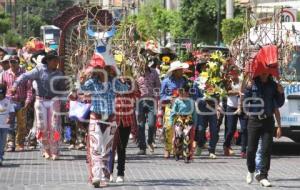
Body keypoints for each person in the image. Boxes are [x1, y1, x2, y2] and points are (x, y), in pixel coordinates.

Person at [81, 53, 128, 188]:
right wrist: (82, 79)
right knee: (96, 147)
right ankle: (96, 176)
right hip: (96, 117)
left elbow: (125, 89)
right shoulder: (92, 82)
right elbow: (82, 88)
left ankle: (104, 176)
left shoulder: (114, 82)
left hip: (110, 119)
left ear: (108, 69)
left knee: (107, 149)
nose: (99, 71)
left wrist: (125, 81)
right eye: (97, 69)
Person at [11, 50, 65, 160]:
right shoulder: (39, 70)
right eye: (54, 60)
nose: (56, 62)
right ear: (48, 60)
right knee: (42, 126)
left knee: (55, 126)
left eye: (57, 60)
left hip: (54, 101)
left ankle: (55, 150)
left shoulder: (59, 73)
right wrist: (15, 85)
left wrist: (64, 100)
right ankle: (46, 149)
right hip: (41, 100)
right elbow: (24, 76)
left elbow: (63, 90)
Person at [244, 73, 285, 187]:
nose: (264, 73)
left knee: (266, 149)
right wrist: (248, 88)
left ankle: (263, 175)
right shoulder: (252, 83)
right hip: (254, 120)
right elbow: (246, 101)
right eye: (262, 70)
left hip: (268, 120)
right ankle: (251, 169)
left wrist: (281, 93)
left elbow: (279, 104)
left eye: (266, 70)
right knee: (251, 149)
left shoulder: (273, 85)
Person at [109, 77, 140, 183]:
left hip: (125, 123)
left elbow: (137, 93)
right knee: (111, 148)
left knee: (121, 148)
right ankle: (109, 172)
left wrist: (132, 80)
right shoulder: (113, 89)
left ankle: (120, 173)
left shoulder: (130, 92)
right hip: (113, 121)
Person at [1, 55, 33, 152]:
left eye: (14, 62)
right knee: (9, 123)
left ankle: (20, 143)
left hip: (21, 102)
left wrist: (28, 101)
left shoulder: (25, 74)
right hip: (9, 102)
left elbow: (29, 89)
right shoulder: (4, 74)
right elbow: (2, 89)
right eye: (11, 62)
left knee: (21, 124)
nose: (12, 64)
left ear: (18, 62)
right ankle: (10, 143)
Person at [160, 61, 188, 158]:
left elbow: (188, 92)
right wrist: (169, 98)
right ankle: (167, 149)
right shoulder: (166, 81)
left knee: (180, 129)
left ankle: (178, 149)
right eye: (180, 70)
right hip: (170, 107)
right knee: (168, 127)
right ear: (175, 71)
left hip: (182, 108)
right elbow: (161, 95)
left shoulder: (184, 81)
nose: (182, 71)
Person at [136, 60, 161, 155]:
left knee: (151, 124)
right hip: (140, 102)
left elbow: (158, 85)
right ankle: (142, 147)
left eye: (144, 62)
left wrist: (156, 98)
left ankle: (150, 140)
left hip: (152, 101)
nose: (143, 64)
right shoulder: (135, 73)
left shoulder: (154, 72)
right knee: (141, 125)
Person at [169, 83, 195, 163]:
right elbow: (173, 111)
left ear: (187, 93)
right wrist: (171, 121)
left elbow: (194, 113)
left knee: (187, 137)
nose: (183, 94)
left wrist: (195, 122)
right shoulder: (177, 101)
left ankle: (186, 155)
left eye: (185, 93)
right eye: (181, 93)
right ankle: (177, 153)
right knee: (178, 137)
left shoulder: (191, 101)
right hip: (179, 119)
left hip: (188, 120)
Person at [223, 77, 248, 158]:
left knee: (244, 128)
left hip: (242, 107)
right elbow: (227, 92)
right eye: (232, 73)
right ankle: (226, 145)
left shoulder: (242, 80)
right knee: (231, 129)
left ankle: (243, 150)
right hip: (231, 107)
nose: (234, 75)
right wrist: (238, 92)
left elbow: (245, 90)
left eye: (235, 73)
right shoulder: (228, 81)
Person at [0, 84, 14, 166]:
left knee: (2, 142)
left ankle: (1, 156)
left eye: (1, 94)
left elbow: (12, 111)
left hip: (4, 126)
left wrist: (10, 118)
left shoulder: (8, 101)